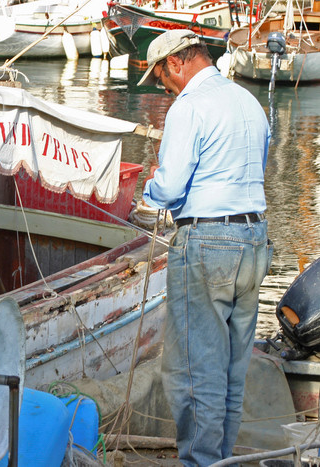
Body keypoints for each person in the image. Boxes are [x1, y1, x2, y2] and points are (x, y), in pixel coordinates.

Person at [139, 30, 272, 466]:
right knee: (232, 374)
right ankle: (220, 461)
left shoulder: (189, 106)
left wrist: (150, 190)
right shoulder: (248, 101)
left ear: (176, 63)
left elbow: (171, 184)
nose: (164, 87)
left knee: (195, 374)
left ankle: (200, 463)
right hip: (254, 240)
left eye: (162, 77)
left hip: (209, 242)